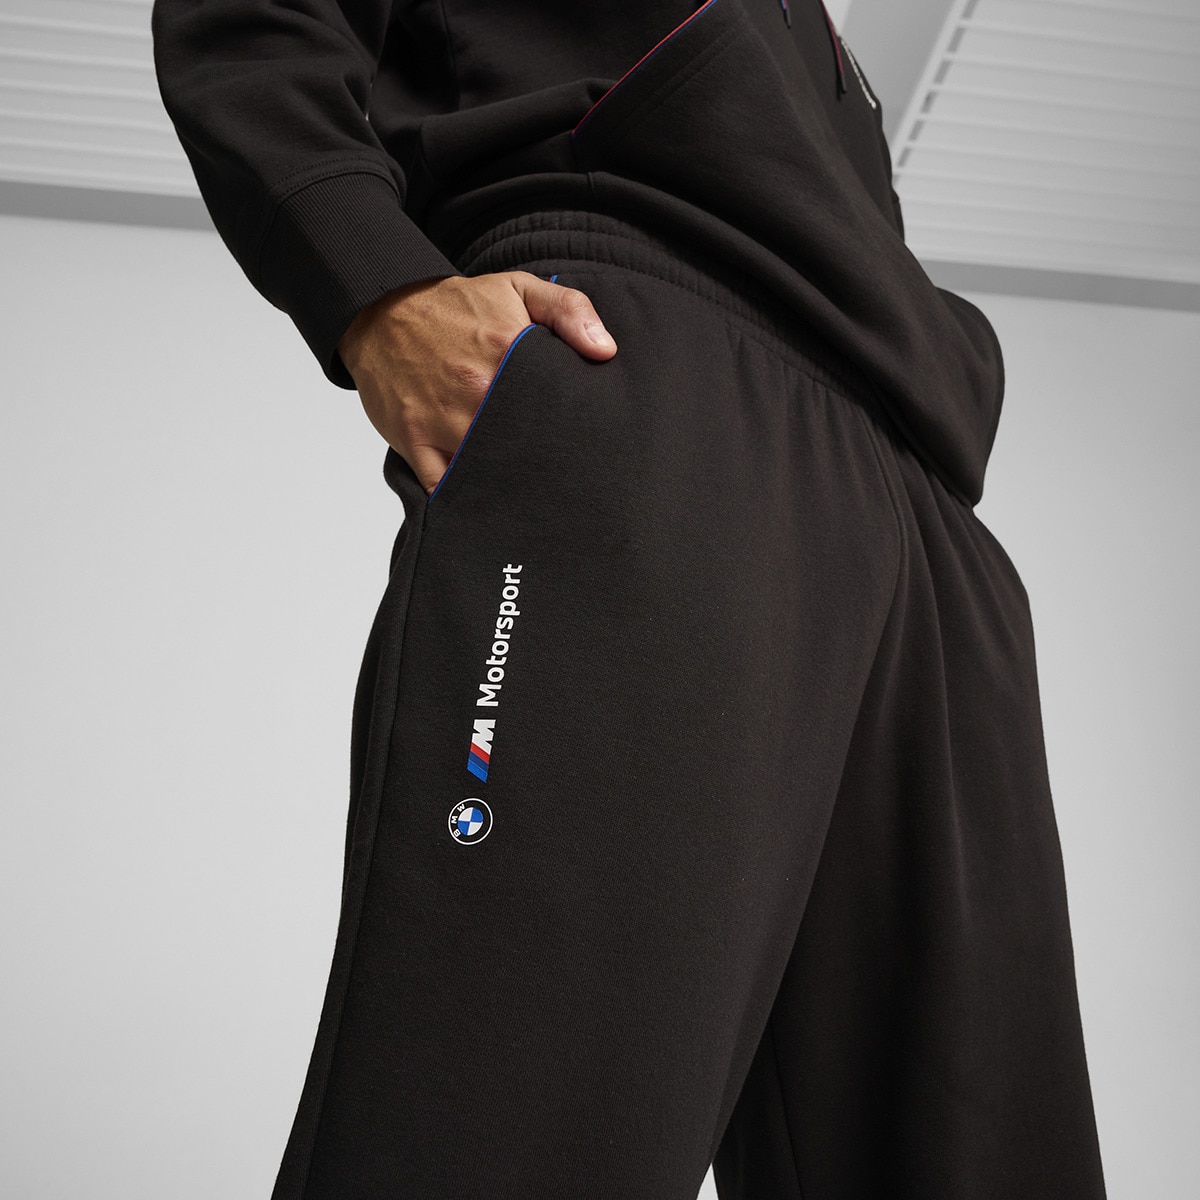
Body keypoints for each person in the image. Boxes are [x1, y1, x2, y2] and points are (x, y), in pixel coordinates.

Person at [150, 2, 1108, 1196]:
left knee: (979, 1151)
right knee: (516, 1112)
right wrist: (376, 289)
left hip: (929, 515)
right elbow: (251, 22)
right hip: (649, 377)